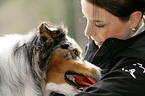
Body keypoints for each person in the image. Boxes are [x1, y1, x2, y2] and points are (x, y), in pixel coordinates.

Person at [75, 0, 145, 96]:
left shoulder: (139, 66)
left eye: (99, 25)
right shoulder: (102, 42)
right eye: (86, 18)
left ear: (133, 20)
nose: (87, 32)